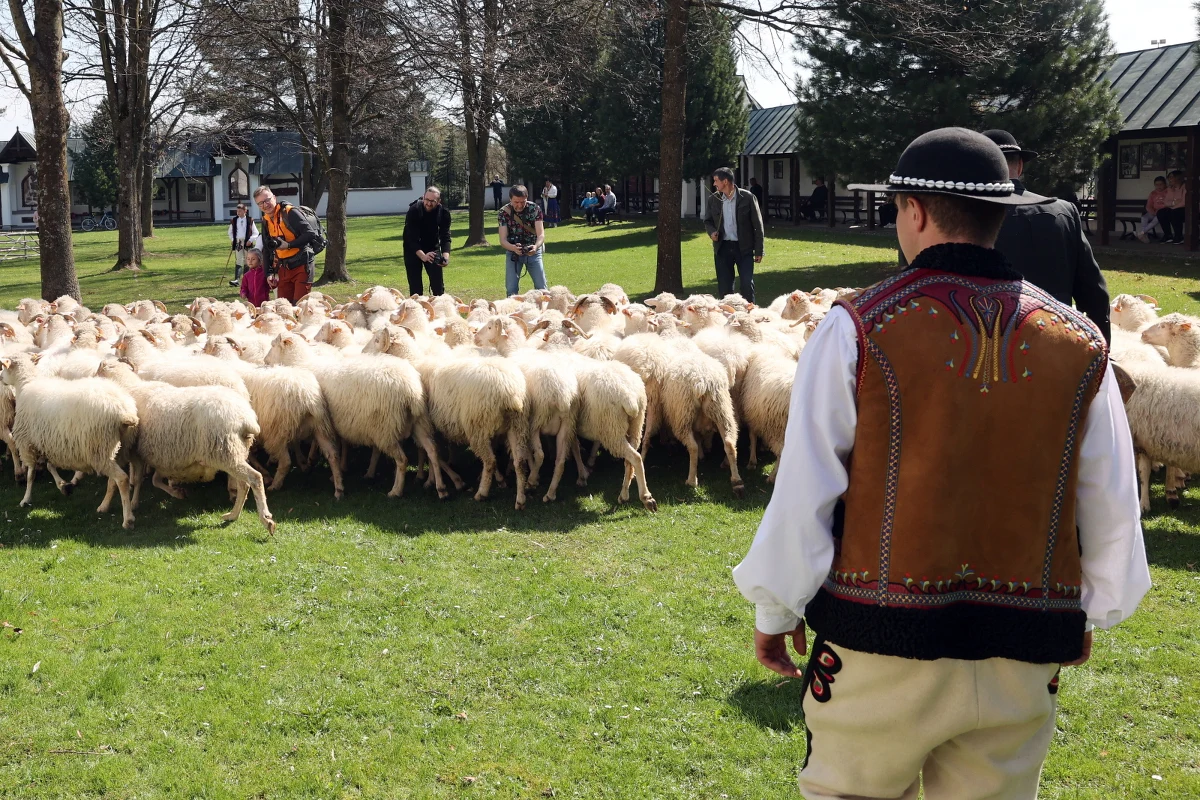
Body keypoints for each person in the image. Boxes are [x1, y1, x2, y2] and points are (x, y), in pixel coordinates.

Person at [735, 127, 1149, 800]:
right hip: (1022, 651)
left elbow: (806, 490)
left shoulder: (858, 328)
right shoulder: (1079, 344)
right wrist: (1090, 610)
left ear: (916, 212)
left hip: (878, 649)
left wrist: (777, 610)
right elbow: (1109, 498)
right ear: (1000, 215)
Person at [985, 129, 1111, 343]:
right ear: (1021, 166)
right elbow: (1094, 293)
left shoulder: (966, 214)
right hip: (1055, 343)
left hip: (989, 345)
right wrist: (1102, 350)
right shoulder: (1064, 211)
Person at [703, 166, 764, 303]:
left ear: (725, 181)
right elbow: (707, 221)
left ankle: (750, 316)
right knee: (725, 289)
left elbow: (758, 226)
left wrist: (759, 250)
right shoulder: (713, 199)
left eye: (716, 180)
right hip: (723, 248)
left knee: (747, 285)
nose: (714, 184)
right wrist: (712, 232)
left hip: (744, 248)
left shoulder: (748, 197)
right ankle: (728, 318)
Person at [255, 186, 318, 303]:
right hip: (283, 267)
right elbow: (267, 248)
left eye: (267, 200)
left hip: (302, 264)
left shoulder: (289, 212)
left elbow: (310, 234)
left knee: (299, 306)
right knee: (283, 306)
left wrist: (289, 245)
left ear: (274, 198)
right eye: (260, 203)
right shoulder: (265, 220)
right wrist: (268, 273)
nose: (265, 205)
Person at [402, 186, 452, 296]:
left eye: (432, 201)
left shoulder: (443, 213)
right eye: (427, 200)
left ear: (438, 202)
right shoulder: (414, 210)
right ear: (423, 197)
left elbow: (445, 236)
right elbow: (411, 238)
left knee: (438, 287)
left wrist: (445, 257)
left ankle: (439, 308)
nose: (429, 203)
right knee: (415, 288)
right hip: (413, 248)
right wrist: (423, 256)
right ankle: (416, 310)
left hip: (431, 246)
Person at [498, 185, 547, 296]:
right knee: (511, 289)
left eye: (523, 202)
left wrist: (535, 247)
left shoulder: (534, 209)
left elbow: (541, 235)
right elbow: (503, 240)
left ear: (527, 198)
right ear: (510, 199)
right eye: (516, 202)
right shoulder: (503, 212)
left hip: (533, 251)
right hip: (513, 252)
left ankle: (544, 312)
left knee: (542, 289)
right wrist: (513, 248)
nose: (519, 205)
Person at [227, 202, 260, 287]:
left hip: (247, 242)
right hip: (238, 242)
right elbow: (230, 232)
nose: (238, 213)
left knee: (247, 260)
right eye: (237, 211)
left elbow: (255, 232)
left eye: (240, 211)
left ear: (245, 211)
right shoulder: (234, 220)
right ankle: (236, 279)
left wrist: (251, 240)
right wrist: (233, 239)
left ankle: (246, 279)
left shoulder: (250, 220)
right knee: (238, 259)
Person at [1136, 176, 1168, 243]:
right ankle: (1144, 236)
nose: (1159, 186)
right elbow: (1148, 206)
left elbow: (1168, 204)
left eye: (1161, 184)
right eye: (1156, 185)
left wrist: (1158, 213)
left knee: (1156, 219)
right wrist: (1153, 212)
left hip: (1163, 212)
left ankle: (1142, 232)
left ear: (1165, 184)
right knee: (1144, 217)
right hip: (1154, 212)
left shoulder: (1168, 192)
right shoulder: (1153, 193)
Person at [1158, 170, 1187, 244]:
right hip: (1174, 209)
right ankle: (1168, 235)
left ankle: (1179, 236)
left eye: (1171, 177)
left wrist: (1173, 207)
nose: (1169, 179)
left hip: (1186, 210)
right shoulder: (1170, 189)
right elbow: (1166, 202)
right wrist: (1174, 202)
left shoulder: (1185, 187)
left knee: (1175, 212)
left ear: (1178, 178)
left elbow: (1184, 202)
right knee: (1161, 212)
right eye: (1169, 177)